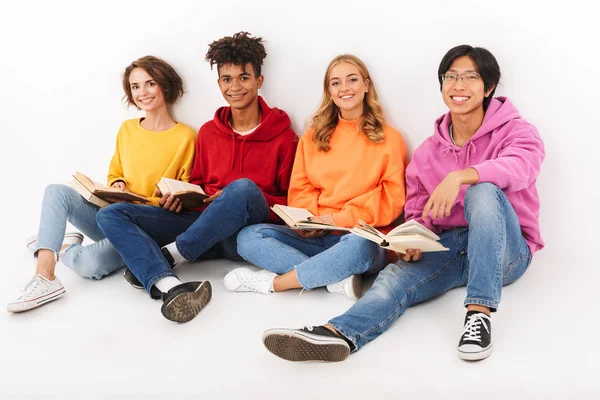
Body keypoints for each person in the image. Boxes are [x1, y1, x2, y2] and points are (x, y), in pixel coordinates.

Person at [261, 45, 545, 363]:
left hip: (507, 251)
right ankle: (338, 333)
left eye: (470, 77)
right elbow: (418, 210)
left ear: (489, 87)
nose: (459, 85)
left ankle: (478, 314)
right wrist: (414, 239)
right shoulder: (428, 152)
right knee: (393, 277)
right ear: (442, 86)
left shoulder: (517, 132)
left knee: (482, 191)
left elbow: (522, 167)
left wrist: (462, 177)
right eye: (451, 76)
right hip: (449, 248)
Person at [96, 32, 298, 323]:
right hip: (201, 227)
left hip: (243, 232)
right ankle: (170, 287)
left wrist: (233, 199)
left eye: (243, 78)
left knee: (241, 189)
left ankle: (172, 255)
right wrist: (182, 199)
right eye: (227, 79)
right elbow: (198, 186)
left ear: (259, 81)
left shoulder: (284, 138)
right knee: (112, 215)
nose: (235, 87)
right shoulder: (207, 133)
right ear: (219, 84)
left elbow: (289, 203)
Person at [7, 56, 197, 313]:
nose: (142, 92)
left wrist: (160, 199)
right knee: (56, 192)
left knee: (90, 265)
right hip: (110, 212)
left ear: (164, 85)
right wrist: (117, 183)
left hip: (143, 228)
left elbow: (182, 189)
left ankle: (61, 245)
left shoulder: (186, 137)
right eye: (135, 86)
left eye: (150, 83)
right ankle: (45, 276)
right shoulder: (127, 129)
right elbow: (116, 169)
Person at [225, 54, 408, 300]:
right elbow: (300, 189)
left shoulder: (390, 138)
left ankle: (276, 283)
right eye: (336, 83)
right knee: (249, 237)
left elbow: (391, 199)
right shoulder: (313, 137)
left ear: (366, 85)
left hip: (361, 237)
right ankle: (335, 278)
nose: (344, 88)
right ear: (329, 92)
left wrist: (339, 219)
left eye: (352, 80)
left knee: (359, 246)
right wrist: (312, 221)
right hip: (317, 236)